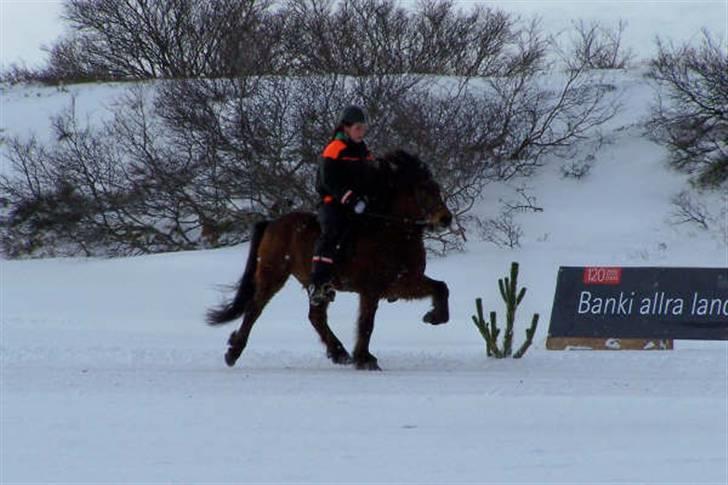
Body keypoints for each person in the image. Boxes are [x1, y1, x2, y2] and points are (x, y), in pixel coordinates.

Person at [308, 105, 378, 306]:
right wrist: (350, 199)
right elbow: (328, 180)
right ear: (346, 127)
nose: (361, 132)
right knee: (332, 231)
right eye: (358, 128)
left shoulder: (364, 150)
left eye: (364, 128)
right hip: (333, 203)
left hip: (358, 204)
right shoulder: (335, 148)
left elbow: (372, 176)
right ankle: (319, 283)